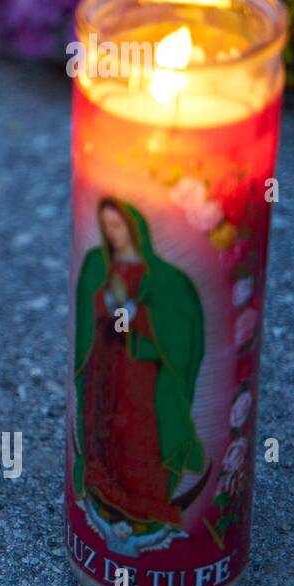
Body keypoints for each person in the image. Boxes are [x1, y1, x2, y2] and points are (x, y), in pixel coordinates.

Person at [73, 197, 205, 537]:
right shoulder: (97, 264)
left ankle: (145, 504)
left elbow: (179, 331)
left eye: (117, 225)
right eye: (106, 226)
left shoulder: (163, 278)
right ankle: (107, 494)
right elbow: (89, 310)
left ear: (134, 227)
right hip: (106, 364)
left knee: (139, 432)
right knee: (105, 425)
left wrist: (133, 312)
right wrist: (108, 302)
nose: (112, 233)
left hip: (141, 371)